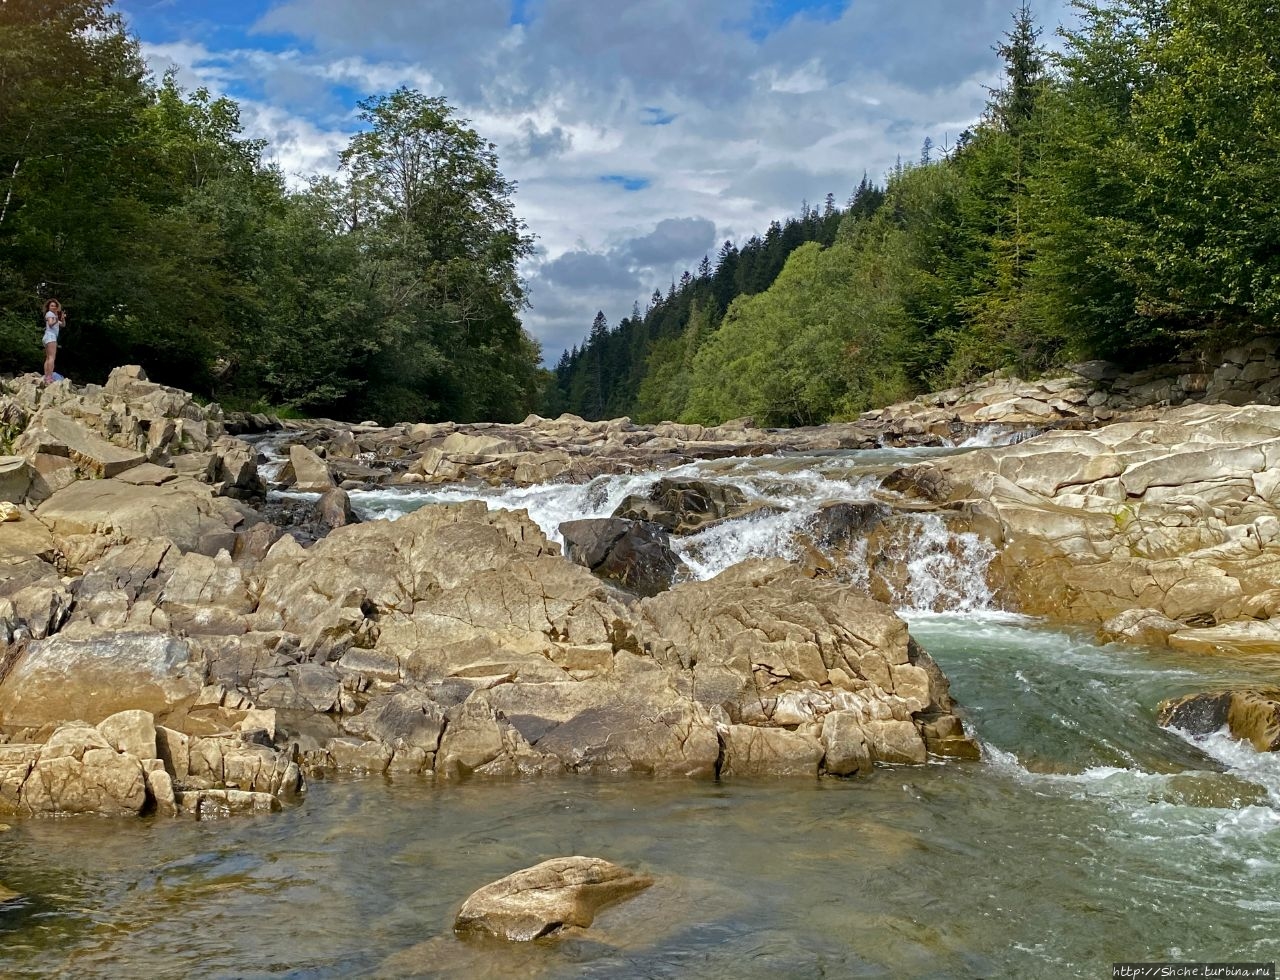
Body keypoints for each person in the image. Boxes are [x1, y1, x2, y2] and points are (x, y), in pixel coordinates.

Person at [42, 298, 66, 383]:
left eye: (55, 306)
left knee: (48, 358)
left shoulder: (52, 315)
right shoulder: (50, 314)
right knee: (52, 358)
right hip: (50, 336)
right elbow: (51, 324)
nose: (53, 307)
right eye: (52, 306)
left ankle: (46, 376)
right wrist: (56, 318)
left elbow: (62, 325)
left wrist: (62, 318)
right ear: (48, 307)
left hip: (47, 337)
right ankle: (49, 377)